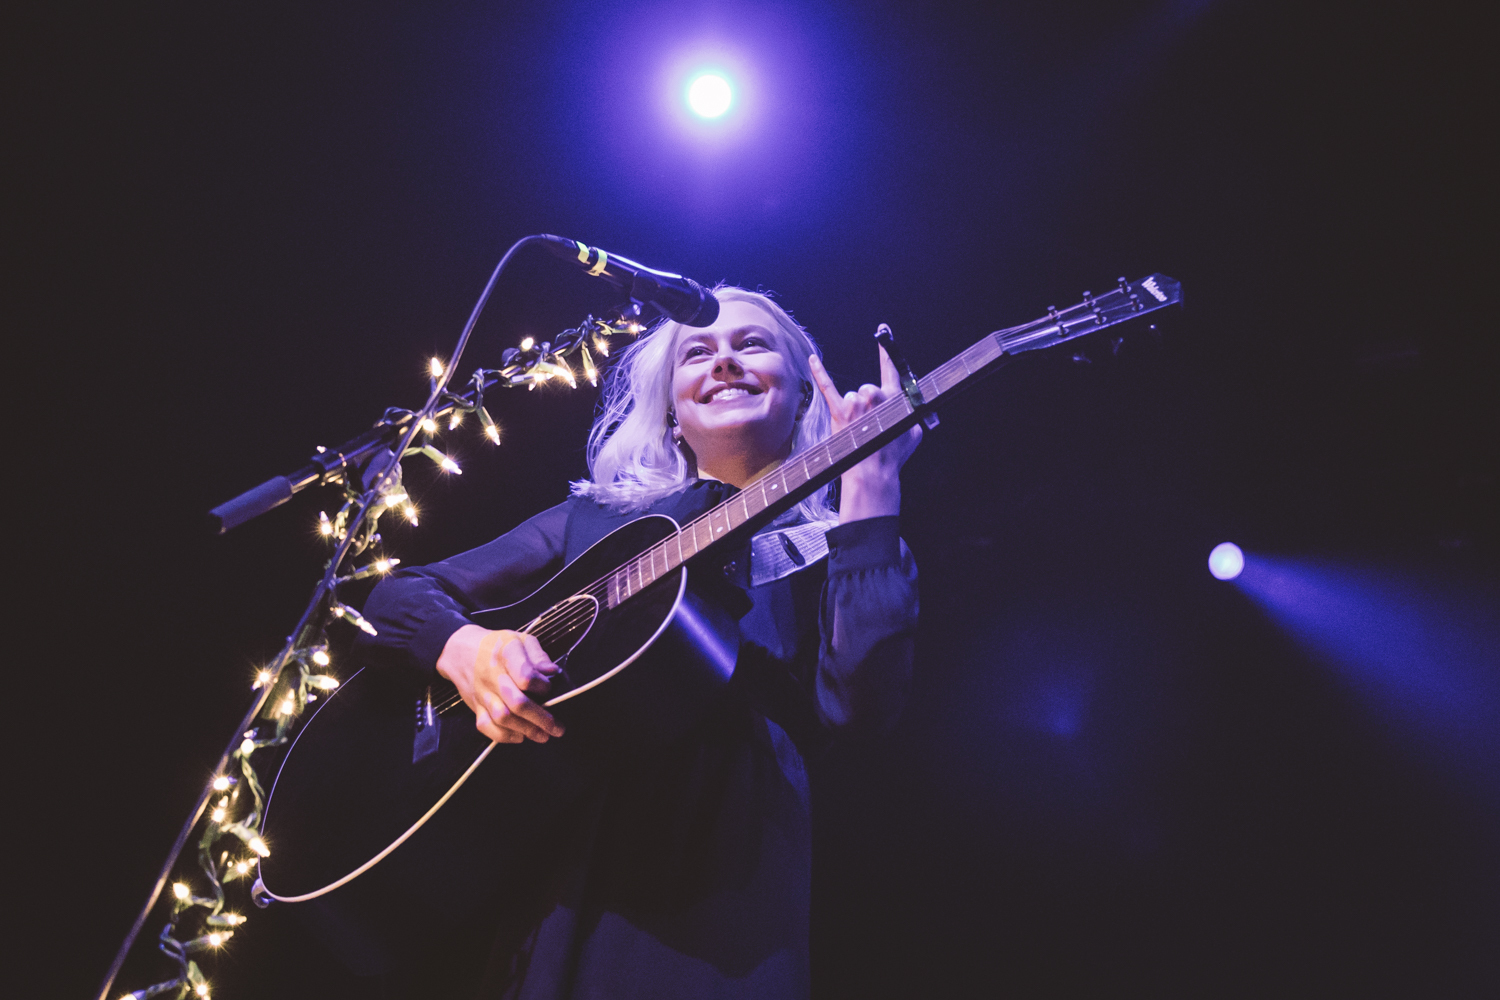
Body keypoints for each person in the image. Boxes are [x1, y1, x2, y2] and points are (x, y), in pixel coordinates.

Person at [360, 287, 921, 998]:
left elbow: (859, 709)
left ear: (805, 392)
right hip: (559, 880)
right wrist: (465, 649)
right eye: (698, 350)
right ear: (672, 412)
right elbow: (394, 598)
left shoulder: (834, 545)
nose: (723, 361)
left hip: (727, 901)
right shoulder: (594, 523)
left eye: (752, 344)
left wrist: (871, 490)